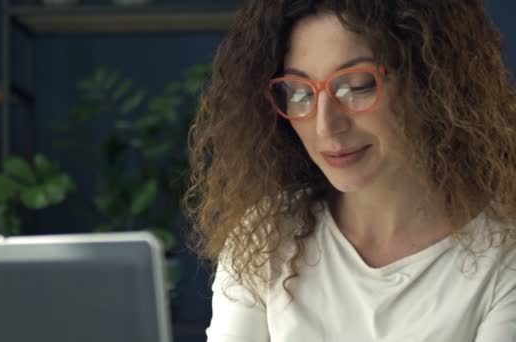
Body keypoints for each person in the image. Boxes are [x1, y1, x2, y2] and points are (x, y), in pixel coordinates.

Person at [184, 0, 516, 341]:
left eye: (357, 86)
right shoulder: (267, 235)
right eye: (299, 92)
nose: (326, 126)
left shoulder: (504, 254)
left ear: (432, 84)